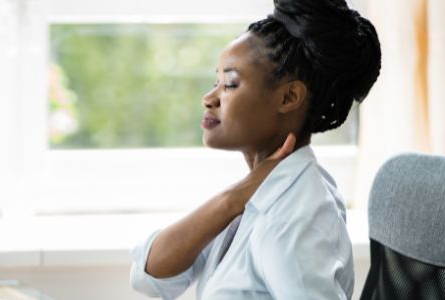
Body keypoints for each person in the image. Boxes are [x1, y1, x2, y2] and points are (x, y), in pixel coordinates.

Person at [129, 0, 381, 299]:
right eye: (216, 81)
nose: (209, 98)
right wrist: (233, 199)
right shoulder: (256, 193)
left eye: (230, 84)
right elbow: (151, 274)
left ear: (288, 97)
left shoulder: (298, 216)